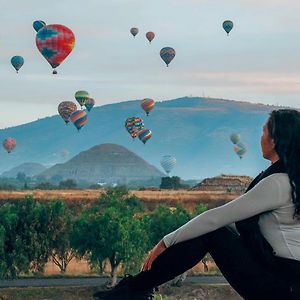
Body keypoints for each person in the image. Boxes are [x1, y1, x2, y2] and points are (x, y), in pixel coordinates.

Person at [94, 109, 300, 300]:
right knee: (211, 232)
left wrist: (166, 242)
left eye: (264, 132)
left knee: (210, 232)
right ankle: (136, 290)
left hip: (283, 285)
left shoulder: (278, 183)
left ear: (275, 140)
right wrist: (183, 250)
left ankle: (133, 290)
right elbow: (233, 225)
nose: (260, 138)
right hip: (282, 277)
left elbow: (216, 218)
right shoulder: (288, 179)